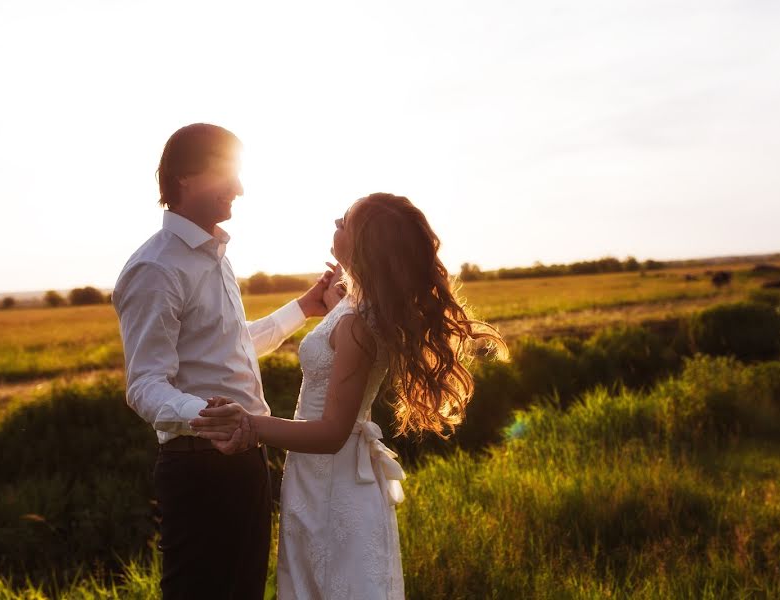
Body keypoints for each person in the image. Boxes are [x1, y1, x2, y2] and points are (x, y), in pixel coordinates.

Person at [191, 192, 508, 599]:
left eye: (345, 221)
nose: (335, 223)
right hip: (314, 478)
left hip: (333, 480)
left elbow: (332, 432)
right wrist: (328, 297)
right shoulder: (353, 305)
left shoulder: (358, 324)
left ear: (364, 243)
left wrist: (251, 424)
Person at [111, 123, 337, 600]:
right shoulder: (156, 268)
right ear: (186, 178)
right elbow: (145, 383)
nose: (239, 187)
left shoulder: (216, 255)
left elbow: (231, 348)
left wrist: (305, 307)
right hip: (198, 466)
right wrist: (213, 420)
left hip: (249, 459)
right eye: (226, 173)